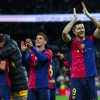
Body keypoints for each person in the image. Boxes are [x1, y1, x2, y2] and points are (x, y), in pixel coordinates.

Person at [62, 2, 100, 100]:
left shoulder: (91, 40)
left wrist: (88, 15)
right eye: (78, 28)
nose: (81, 30)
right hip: (76, 79)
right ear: (74, 32)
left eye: (82, 28)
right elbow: (65, 32)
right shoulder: (71, 42)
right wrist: (74, 19)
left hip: (90, 78)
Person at [21, 32, 52, 100]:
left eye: (40, 38)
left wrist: (32, 47)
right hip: (31, 86)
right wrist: (23, 52)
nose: (37, 40)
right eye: (37, 38)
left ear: (45, 42)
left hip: (43, 86)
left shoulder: (48, 52)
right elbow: (23, 63)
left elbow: (42, 58)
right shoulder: (31, 54)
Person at [0, 34, 28, 100]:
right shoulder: (6, 47)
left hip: (20, 78)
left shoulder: (12, 44)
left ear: (3, 42)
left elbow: (2, 53)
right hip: (12, 79)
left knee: (23, 98)